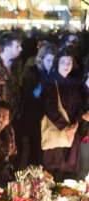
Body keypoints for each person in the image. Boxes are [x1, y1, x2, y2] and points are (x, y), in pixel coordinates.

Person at [41, 47, 87, 182]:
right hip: (57, 128)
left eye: (69, 63)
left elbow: (78, 105)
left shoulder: (73, 82)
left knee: (64, 169)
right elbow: (50, 107)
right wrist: (66, 127)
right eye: (63, 62)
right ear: (57, 63)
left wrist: (76, 124)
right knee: (51, 168)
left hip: (71, 131)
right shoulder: (50, 81)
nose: (66, 66)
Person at [21, 43, 56, 167]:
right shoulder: (32, 72)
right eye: (48, 60)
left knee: (48, 154)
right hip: (34, 118)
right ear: (41, 59)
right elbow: (25, 96)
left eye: (53, 60)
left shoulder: (55, 73)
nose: (51, 63)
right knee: (34, 151)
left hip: (51, 119)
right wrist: (37, 92)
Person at [0, 32, 22, 110]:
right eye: (17, 46)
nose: (21, 49)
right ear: (7, 49)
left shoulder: (15, 65)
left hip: (13, 114)